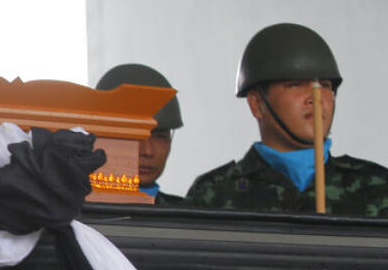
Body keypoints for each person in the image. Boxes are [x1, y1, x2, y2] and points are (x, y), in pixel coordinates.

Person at [185, 22, 388, 216]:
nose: (315, 98)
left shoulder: (377, 186)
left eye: (325, 85)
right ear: (256, 104)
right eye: (295, 85)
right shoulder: (215, 194)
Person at [95, 63, 184, 204]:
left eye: (160, 137)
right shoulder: (67, 212)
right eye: (134, 137)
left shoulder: (187, 216)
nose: (148, 151)